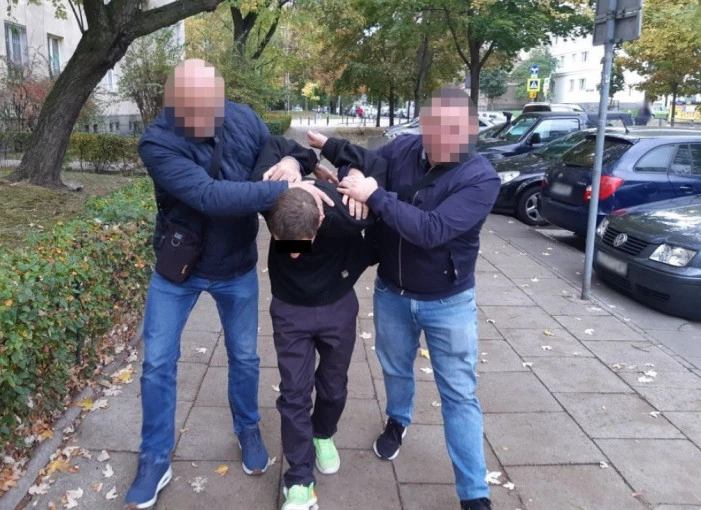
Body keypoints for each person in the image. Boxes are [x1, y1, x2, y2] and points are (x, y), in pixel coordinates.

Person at [126, 59, 332, 509]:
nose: (209, 118)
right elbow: (209, 196)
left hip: (236, 264)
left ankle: (248, 428)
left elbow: (288, 153)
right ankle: (155, 458)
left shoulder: (241, 117)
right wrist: (283, 189)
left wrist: (290, 164)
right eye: (195, 110)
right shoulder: (157, 142)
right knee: (157, 362)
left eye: (213, 107)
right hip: (179, 269)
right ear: (174, 105)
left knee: (244, 357)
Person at [306, 86, 501, 510]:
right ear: (424, 126)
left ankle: (474, 493)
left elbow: (431, 229)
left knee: (459, 395)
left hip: (448, 302)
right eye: (436, 129)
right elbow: (367, 161)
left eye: (455, 132)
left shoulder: (481, 178)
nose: (443, 141)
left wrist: (374, 196)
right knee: (395, 369)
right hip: (392, 292)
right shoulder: (405, 149)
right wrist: (337, 156)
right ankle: (398, 420)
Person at [251, 136, 384, 510]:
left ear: (321, 221)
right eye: (284, 244)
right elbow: (275, 143)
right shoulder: (269, 197)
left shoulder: (345, 215)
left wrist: (360, 179)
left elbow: (382, 168)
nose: (293, 254)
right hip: (289, 310)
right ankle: (299, 480)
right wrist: (294, 164)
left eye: (302, 244)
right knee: (294, 392)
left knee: (333, 386)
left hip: (337, 306)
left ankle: (323, 434)